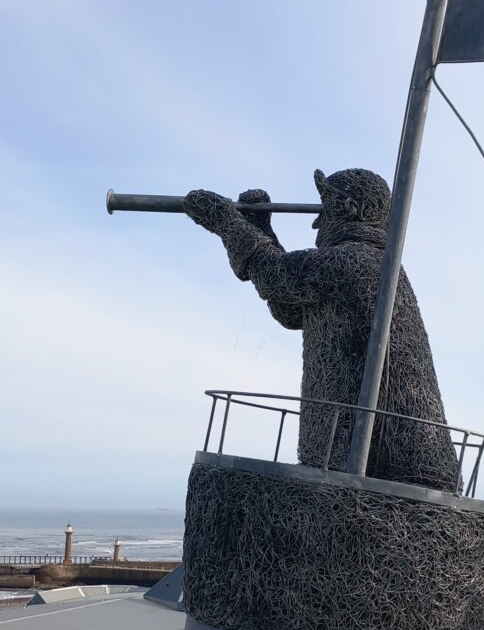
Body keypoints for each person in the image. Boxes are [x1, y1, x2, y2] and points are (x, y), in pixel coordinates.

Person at [183, 168, 460, 491]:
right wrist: (260, 228)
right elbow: (289, 308)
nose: (317, 221)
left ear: (348, 209)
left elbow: (276, 276)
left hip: (394, 470)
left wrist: (225, 222)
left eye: (324, 207)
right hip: (374, 463)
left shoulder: (357, 261)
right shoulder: (370, 266)